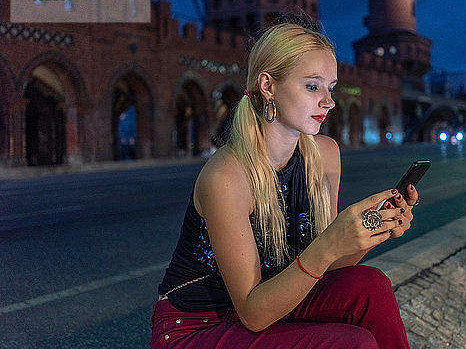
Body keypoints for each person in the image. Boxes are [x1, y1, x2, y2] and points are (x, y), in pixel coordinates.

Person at [150, 20, 419, 349]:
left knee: (371, 286)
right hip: (199, 325)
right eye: (312, 87)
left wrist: (373, 229)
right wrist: (330, 244)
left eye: (331, 88)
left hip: (274, 298)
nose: (329, 101)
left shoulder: (325, 154)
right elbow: (253, 313)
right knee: (352, 344)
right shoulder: (227, 176)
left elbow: (328, 263)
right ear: (268, 85)